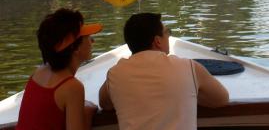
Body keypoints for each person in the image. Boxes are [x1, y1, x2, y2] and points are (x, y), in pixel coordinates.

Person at [99, 13, 229, 130]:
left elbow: (105, 103)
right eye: (167, 32)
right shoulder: (189, 67)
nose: (169, 36)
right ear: (157, 41)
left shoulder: (115, 74)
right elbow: (221, 98)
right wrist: (188, 93)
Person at [16, 8, 102, 130]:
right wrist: (87, 113)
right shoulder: (72, 87)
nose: (93, 40)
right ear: (75, 48)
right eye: (87, 37)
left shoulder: (39, 72)